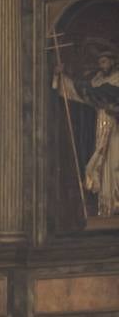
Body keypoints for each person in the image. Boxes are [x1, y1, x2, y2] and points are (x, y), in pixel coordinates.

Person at [54, 51, 119, 216]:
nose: (101, 65)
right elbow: (78, 90)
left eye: (104, 61)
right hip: (99, 126)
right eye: (100, 62)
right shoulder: (95, 82)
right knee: (101, 165)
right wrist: (61, 77)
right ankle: (106, 207)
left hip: (116, 126)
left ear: (112, 62)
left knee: (115, 163)